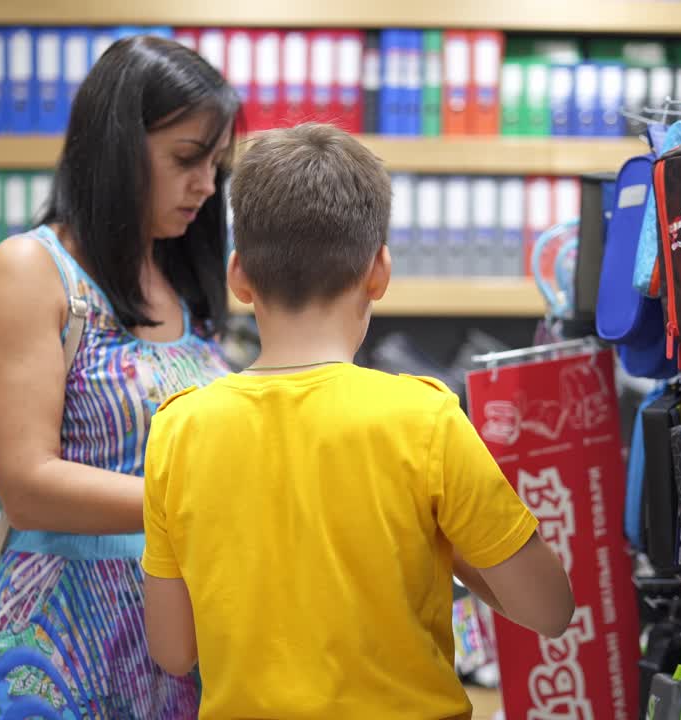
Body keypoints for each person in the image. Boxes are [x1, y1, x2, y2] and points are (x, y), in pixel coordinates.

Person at [139, 123, 575, 719]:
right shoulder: (425, 421)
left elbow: (172, 651)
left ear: (239, 276)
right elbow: (549, 609)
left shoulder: (178, 429)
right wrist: (444, 544)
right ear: (379, 272)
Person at [0, 35, 239, 718]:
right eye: (187, 159)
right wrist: (206, 502)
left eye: (216, 165)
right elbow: (28, 485)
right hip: (63, 639)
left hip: (176, 635)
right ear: (118, 148)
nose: (207, 186)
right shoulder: (31, 269)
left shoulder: (181, 280)